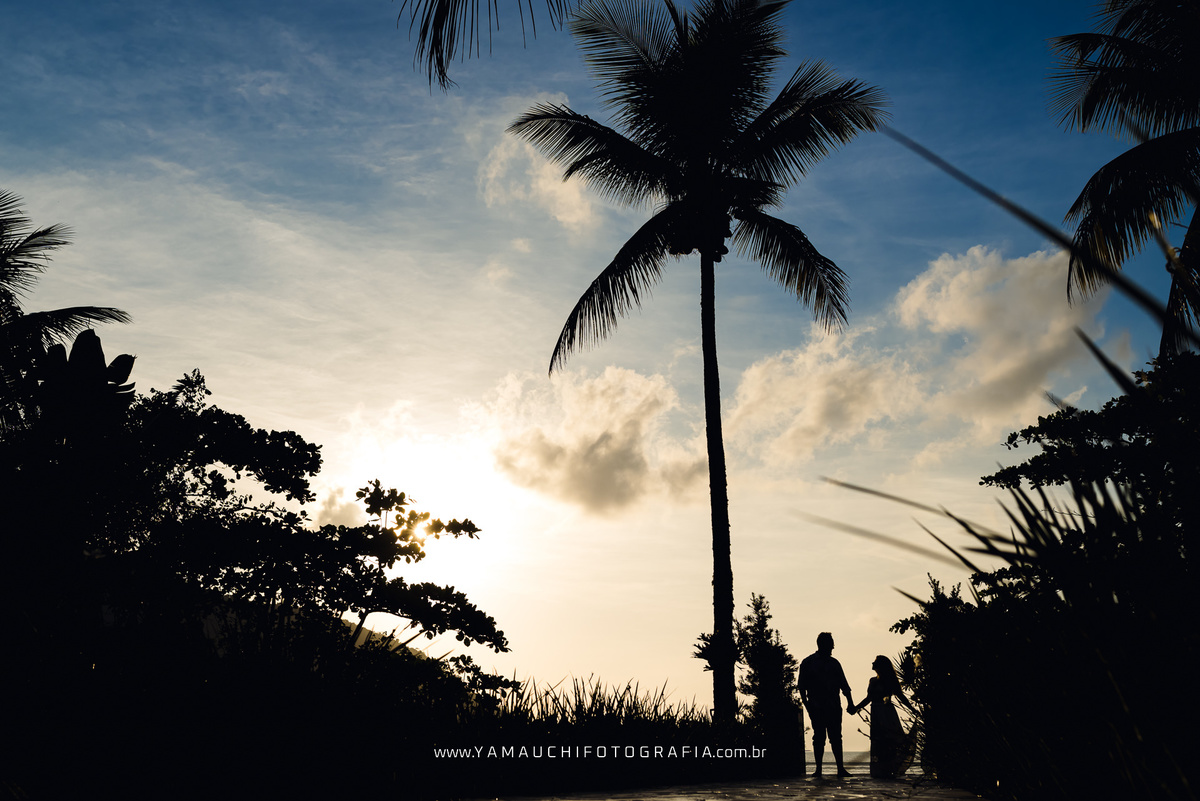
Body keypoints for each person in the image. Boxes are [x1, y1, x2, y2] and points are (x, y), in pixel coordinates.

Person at [798, 632, 854, 777]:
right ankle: (818, 769)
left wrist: (850, 703)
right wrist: (807, 705)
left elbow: (844, 685)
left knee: (836, 738)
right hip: (817, 707)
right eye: (831, 644)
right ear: (823, 644)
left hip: (833, 706)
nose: (833, 647)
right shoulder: (808, 663)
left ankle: (840, 768)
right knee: (819, 737)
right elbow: (802, 686)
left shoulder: (834, 663)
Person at [849, 655, 915, 779]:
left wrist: (912, 709)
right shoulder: (872, 680)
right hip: (876, 712)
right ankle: (880, 770)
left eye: (875, 662)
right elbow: (868, 699)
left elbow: (900, 696)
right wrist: (856, 708)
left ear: (880, 666)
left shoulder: (890, 680)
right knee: (878, 741)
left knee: (889, 740)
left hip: (887, 713)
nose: (872, 663)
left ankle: (889, 769)